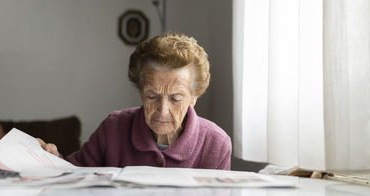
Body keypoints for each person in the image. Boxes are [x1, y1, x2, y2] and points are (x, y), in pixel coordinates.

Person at [38, 32, 231, 170]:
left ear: (194, 97)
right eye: (152, 96)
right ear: (140, 92)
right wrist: (51, 161)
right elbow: (73, 176)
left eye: (175, 98)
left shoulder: (216, 144)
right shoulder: (114, 127)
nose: (162, 110)